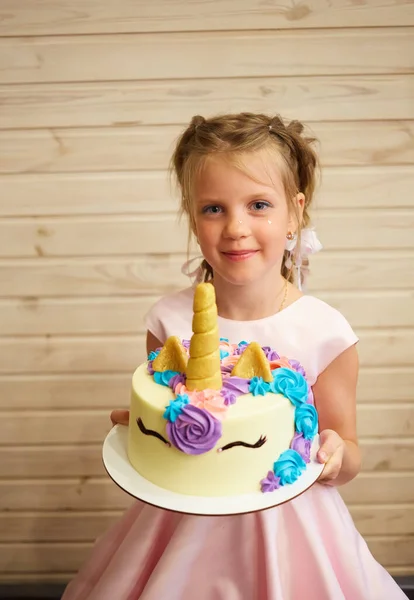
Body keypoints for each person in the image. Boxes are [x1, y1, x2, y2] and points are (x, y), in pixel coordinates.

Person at [62, 113, 407, 599]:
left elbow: (348, 451)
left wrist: (333, 456)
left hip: (292, 533)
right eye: (213, 208)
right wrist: (145, 431)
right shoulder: (168, 322)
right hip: (179, 529)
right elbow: (173, 417)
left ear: (296, 213)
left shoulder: (325, 332)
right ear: (192, 216)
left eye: (259, 205)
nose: (236, 228)